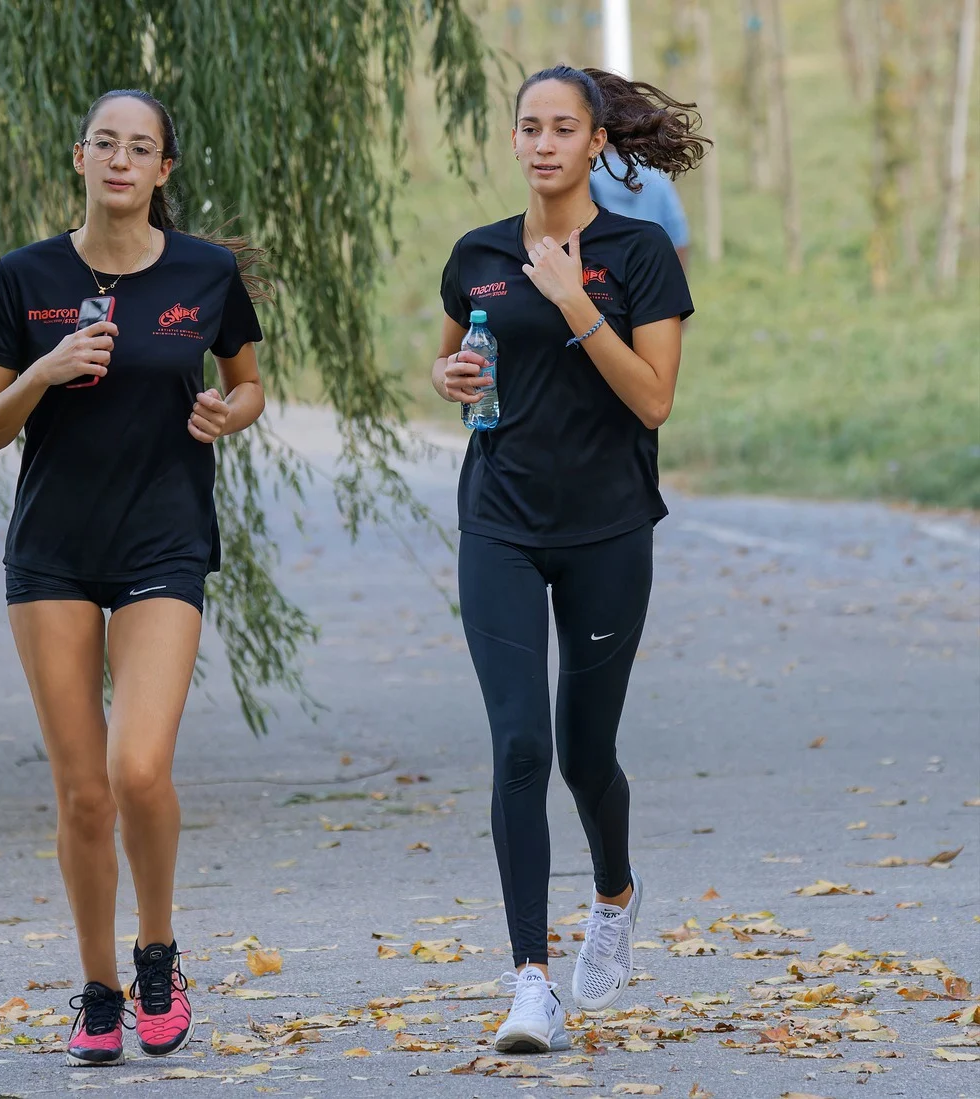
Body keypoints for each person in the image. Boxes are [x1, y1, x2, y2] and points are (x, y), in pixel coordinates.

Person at [0, 89, 266, 1067]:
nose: (122, 160)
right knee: (83, 790)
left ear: (163, 170)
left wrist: (235, 409)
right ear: (81, 156)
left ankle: (158, 952)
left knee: (139, 768)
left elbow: (248, 377)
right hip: (51, 549)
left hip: (163, 541)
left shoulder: (205, 273)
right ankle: (97, 986)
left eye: (141, 148)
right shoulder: (24, 277)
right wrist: (41, 371)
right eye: (105, 143)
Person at [431, 65, 707, 1053]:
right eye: (527, 127)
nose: (542, 143)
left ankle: (613, 893)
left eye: (562, 128)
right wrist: (447, 373)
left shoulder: (637, 256)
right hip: (498, 521)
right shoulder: (476, 253)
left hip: (605, 528)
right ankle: (528, 982)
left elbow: (652, 400)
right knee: (518, 745)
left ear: (596, 143)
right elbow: (462, 354)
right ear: (513, 142)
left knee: (585, 752)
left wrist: (574, 302)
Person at [590, 146, 691, 269]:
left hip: (600, 274)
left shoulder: (586, 177)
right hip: (651, 273)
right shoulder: (657, 178)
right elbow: (678, 239)